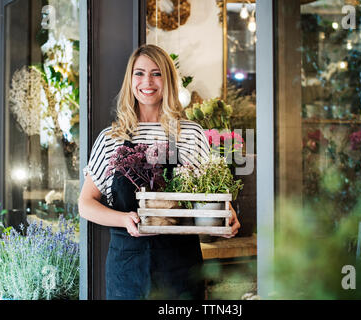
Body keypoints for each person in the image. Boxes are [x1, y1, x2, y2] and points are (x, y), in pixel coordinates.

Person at [78, 44, 240, 300]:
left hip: (181, 267)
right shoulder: (112, 137)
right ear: (130, 80)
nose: (147, 82)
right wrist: (124, 219)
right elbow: (85, 204)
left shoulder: (190, 134)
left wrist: (227, 217)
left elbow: (210, 196)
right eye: (139, 73)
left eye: (156, 73)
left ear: (168, 80)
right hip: (127, 269)